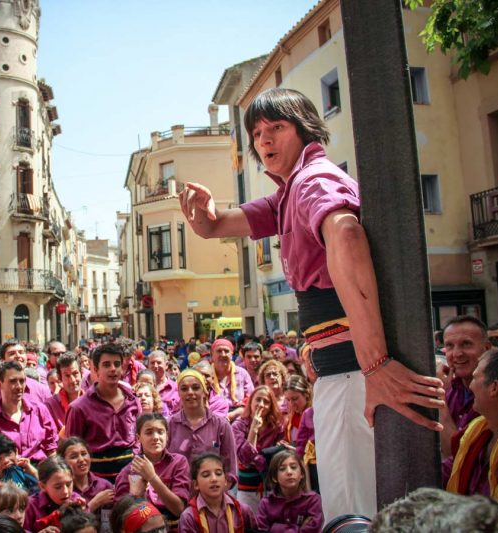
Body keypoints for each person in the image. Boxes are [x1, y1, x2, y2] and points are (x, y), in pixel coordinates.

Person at [179, 87, 445, 520]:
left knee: (354, 514)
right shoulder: (290, 193)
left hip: (352, 375)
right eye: (257, 133)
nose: (264, 140)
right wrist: (203, 219)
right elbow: (219, 226)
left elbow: (346, 234)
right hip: (345, 374)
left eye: (276, 128)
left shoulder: (312, 181)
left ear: (304, 130)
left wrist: (375, 365)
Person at [65, 342, 141, 482]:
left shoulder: (133, 401)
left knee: (143, 506)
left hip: (132, 480)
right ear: (96, 369)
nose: (113, 369)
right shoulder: (79, 408)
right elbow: (72, 451)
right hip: (96, 483)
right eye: (106, 365)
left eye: (117, 364)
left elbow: (139, 440)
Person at [446, 348, 498, 499]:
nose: (470, 386)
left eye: (475, 378)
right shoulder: (474, 434)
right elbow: (446, 470)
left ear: (494, 387)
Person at [114, 414, 191, 532]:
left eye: (160, 432)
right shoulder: (128, 472)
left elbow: (178, 509)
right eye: (149, 432)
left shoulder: (178, 463)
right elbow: (121, 521)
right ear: (138, 438)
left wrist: (152, 477)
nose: (156, 437)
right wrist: (135, 495)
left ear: (167, 436)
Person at [0, 361, 58, 462]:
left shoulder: (40, 411)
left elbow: (51, 449)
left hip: (40, 472)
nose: (19, 386)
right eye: (13, 381)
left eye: (22, 381)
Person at [168, 369, 237, 487]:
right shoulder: (169, 425)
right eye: (184, 389)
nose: (190, 392)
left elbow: (230, 469)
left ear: (205, 391)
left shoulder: (221, 425)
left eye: (195, 388)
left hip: (213, 497)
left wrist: (217, 495)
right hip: (177, 497)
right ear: (178, 393)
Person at [439, 316, 490, 471]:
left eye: (466, 344)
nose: (457, 354)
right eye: (449, 346)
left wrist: (437, 398)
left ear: (487, 349)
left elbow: (459, 457)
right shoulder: (449, 388)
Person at [232, 386, 284, 512]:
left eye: (266, 402)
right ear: (251, 402)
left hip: (272, 484)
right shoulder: (238, 426)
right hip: (247, 487)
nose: (261, 404)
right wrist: (254, 428)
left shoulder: (277, 427)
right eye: (258, 400)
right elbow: (245, 458)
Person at [178, 453, 257, 533]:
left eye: (218, 473)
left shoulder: (243, 511)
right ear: (196, 484)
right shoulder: (189, 517)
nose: (214, 479)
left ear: (225, 480)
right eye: (206, 475)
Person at [256, 450, 323, 532]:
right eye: (282, 469)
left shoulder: (313, 500)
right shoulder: (265, 504)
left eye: (293, 467)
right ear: (274, 477)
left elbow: (313, 530)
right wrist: (298, 529)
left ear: (301, 474)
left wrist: (274, 528)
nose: (289, 472)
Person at [0, 341, 50, 413]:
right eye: (12, 353)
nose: (18, 356)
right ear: (3, 360)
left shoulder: (41, 390)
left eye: (21, 352)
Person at [58, 437, 115, 520]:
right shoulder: (63, 491)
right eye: (74, 457)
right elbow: (68, 524)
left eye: (84, 454)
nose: (81, 459)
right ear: (63, 462)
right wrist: (94, 504)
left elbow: (111, 521)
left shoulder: (104, 486)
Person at [23, 456, 84, 533]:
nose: (65, 492)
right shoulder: (30, 505)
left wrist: (84, 513)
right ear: (42, 486)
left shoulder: (76, 500)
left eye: (68, 484)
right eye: (58, 487)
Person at [283, 375, 317, 492]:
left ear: (306, 394)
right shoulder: (290, 419)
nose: (291, 403)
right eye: (288, 400)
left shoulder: (314, 414)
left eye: (295, 398)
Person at [209, 339, 253, 422]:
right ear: (212, 355)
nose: (223, 354)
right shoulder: (207, 375)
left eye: (226, 351)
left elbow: (251, 400)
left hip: (239, 418)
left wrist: (233, 415)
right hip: (213, 420)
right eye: (219, 351)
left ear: (232, 354)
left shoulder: (242, 374)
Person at [45, 353, 84, 432]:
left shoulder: (92, 402)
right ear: (60, 378)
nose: (72, 380)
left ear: (81, 374)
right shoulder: (50, 406)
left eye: (75, 373)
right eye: (67, 376)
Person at [147, 351, 180, 415]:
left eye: (159, 363)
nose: (155, 366)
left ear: (166, 365)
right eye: (152, 363)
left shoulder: (176, 388)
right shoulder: (143, 388)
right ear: (148, 365)